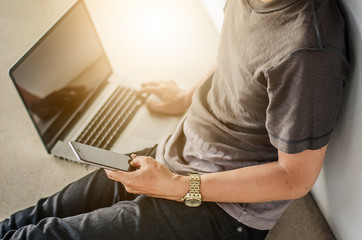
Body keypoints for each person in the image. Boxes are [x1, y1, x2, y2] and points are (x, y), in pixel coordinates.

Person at [0, 0, 350, 239]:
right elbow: (239, 55)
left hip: (224, 213)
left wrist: (178, 187)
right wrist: (187, 95)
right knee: (45, 212)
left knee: (47, 236)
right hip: (179, 149)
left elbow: (295, 179)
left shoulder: (308, 54)